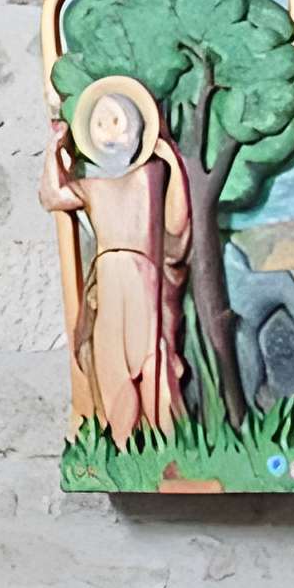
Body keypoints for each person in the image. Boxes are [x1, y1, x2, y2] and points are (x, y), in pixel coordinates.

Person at [39, 75, 192, 442]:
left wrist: (171, 161)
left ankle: (164, 437)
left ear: (137, 127)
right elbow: (52, 195)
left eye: (117, 121)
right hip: (108, 274)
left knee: (149, 354)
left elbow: (176, 221)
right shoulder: (92, 186)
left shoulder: (151, 176)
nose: (109, 132)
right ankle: (122, 441)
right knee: (110, 357)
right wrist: (55, 148)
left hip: (142, 274)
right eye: (100, 123)